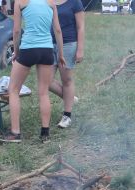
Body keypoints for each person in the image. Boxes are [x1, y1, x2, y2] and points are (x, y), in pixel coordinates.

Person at [2, 0, 65, 143]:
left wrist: (16, 52)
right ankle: (45, 134)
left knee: (13, 90)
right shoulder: (51, 3)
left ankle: (15, 133)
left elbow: (17, 30)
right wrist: (60, 54)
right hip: (47, 50)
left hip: (29, 48)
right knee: (43, 92)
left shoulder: (20, 1)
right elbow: (58, 30)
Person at [48, 0, 85, 129]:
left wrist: (80, 49)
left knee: (66, 80)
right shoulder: (48, 1)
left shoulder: (74, 2)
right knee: (46, 81)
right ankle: (69, 97)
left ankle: (67, 115)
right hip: (49, 44)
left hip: (68, 44)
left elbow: (80, 27)